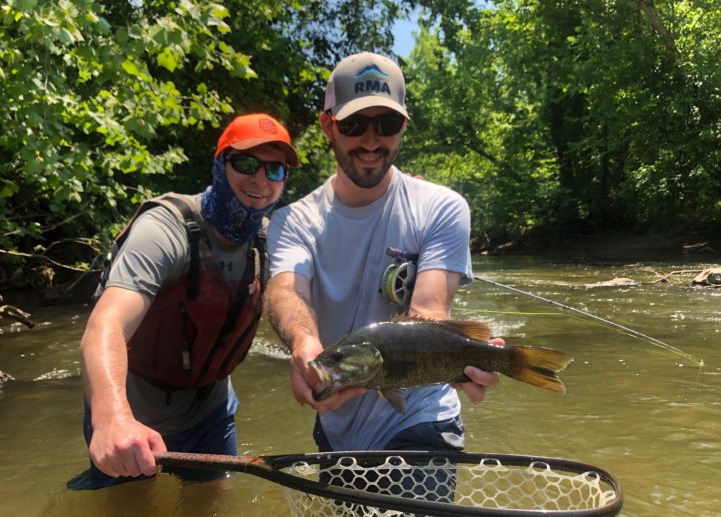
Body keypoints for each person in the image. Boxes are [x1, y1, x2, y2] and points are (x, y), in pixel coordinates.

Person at [266, 52, 503, 456]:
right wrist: (304, 343)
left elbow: (430, 309)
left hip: (421, 419)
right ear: (328, 126)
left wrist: (457, 357)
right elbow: (287, 291)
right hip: (335, 425)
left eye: (386, 124)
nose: (371, 141)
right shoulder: (292, 221)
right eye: (354, 124)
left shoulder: (441, 208)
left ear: (403, 127)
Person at [70, 113, 300, 490]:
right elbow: (104, 325)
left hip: (210, 410)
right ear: (219, 165)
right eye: (246, 163)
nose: (260, 180)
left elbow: (309, 300)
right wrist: (111, 418)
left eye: (275, 170)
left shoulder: (270, 242)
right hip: (133, 411)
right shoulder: (164, 230)